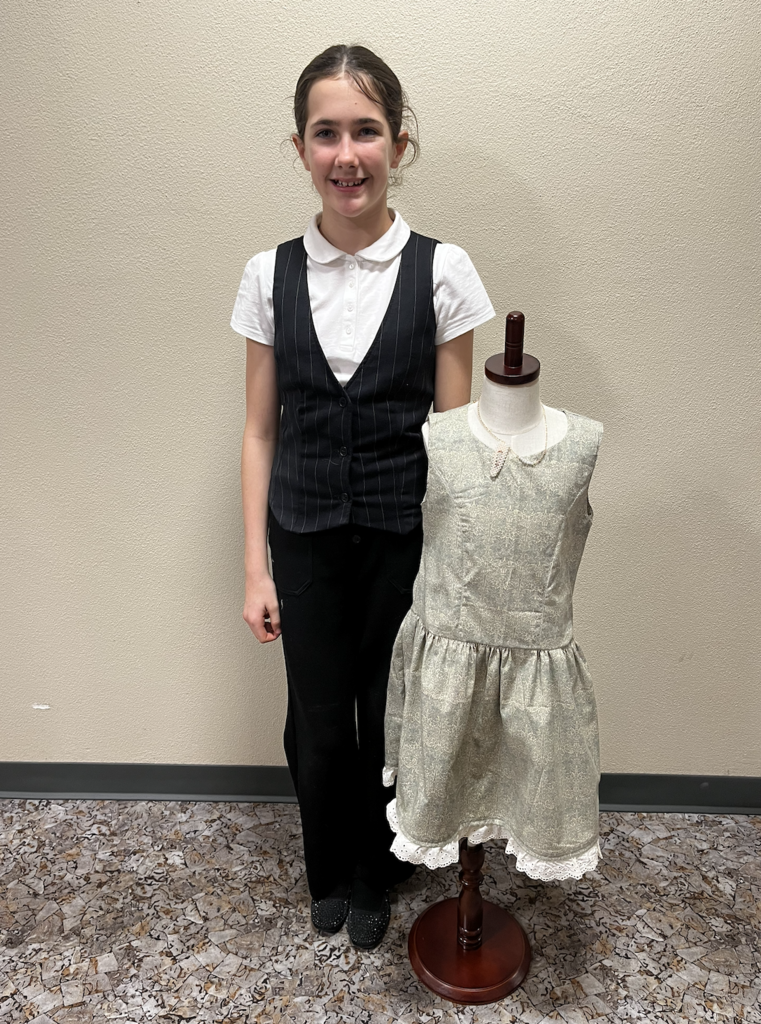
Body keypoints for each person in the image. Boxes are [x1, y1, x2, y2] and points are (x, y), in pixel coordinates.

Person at [231, 44, 495, 949]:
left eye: (366, 131)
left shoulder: (444, 269)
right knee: (315, 716)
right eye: (326, 132)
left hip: (401, 536)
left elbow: (455, 439)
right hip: (299, 533)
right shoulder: (268, 275)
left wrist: (459, 570)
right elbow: (260, 430)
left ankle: (377, 871)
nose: (347, 153)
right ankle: (327, 866)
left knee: (390, 713)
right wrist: (251, 569)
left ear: (400, 142)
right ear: (301, 147)